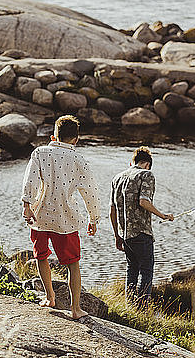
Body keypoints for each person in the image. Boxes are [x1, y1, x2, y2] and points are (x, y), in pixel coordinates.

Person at [21, 115, 100, 320]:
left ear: (53, 136)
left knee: (41, 255)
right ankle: (75, 308)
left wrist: (27, 205)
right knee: (73, 263)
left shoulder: (40, 152)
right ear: (76, 139)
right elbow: (90, 192)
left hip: (41, 216)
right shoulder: (79, 160)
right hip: (66, 218)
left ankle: (50, 297)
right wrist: (93, 218)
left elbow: (30, 179)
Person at [109, 146, 174, 307]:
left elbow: (112, 210)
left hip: (125, 235)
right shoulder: (147, 174)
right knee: (146, 271)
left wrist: (117, 235)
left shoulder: (118, 178)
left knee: (131, 270)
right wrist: (164, 216)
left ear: (133, 162)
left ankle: (130, 306)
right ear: (148, 164)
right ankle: (143, 308)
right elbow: (144, 201)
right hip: (141, 232)